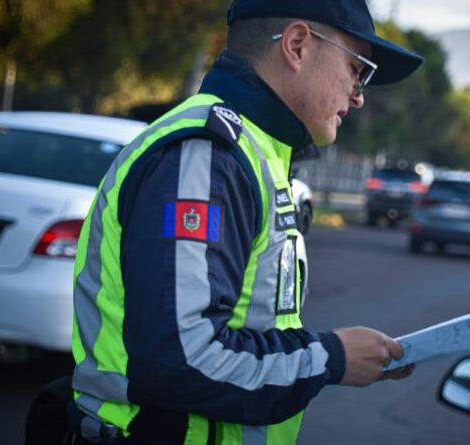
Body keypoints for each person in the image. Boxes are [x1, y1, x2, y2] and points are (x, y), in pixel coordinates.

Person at [67, 1, 424, 444]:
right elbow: (181, 358)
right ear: (297, 46)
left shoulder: (253, 152)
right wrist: (332, 358)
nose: (359, 94)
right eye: (357, 68)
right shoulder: (207, 156)